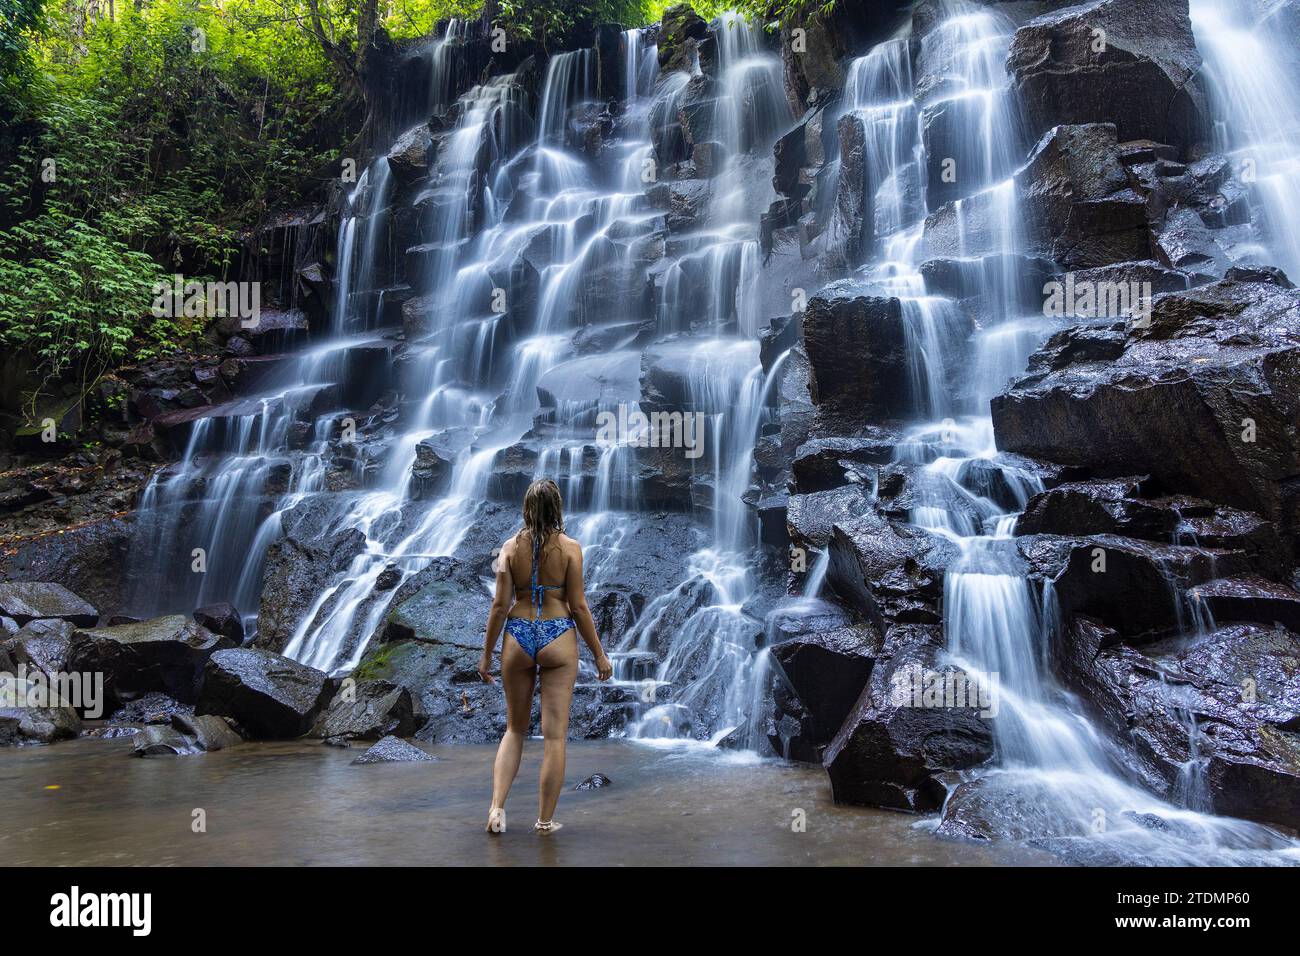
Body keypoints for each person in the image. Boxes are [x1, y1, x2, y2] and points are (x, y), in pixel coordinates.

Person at [478, 478, 613, 834]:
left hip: (518, 634)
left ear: (526, 508)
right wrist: (599, 655)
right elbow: (580, 607)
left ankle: (496, 809)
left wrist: (486, 655)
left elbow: (498, 606)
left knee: (514, 729)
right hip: (557, 633)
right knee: (554, 737)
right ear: (557, 508)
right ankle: (544, 821)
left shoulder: (508, 548)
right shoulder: (571, 548)